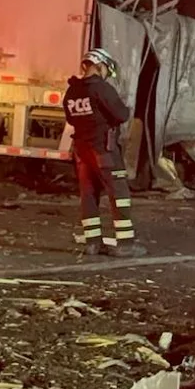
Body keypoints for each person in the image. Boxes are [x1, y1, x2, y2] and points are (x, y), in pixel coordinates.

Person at [63, 48, 146, 257]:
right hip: (104, 150)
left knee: (89, 195)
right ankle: (125, 244)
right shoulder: (102, 88)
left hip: (82, 152)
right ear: (100, 66)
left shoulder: (72, 91)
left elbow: (71, 119)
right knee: (119, 195)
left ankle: (92, 243)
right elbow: (121, 114)